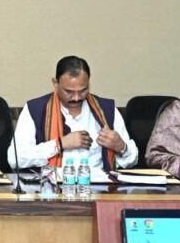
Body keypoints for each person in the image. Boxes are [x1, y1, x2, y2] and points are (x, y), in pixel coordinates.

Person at [9, 56, 138, 173]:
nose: (76, 98)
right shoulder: (35, 109)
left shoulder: (107, 109)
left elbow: (133, 160)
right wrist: (59, 144)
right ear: (55, 84)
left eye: (83, 91)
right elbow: (14, 158)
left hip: (98, 186)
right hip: (49, 187)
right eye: (69, 92)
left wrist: (121, 147)